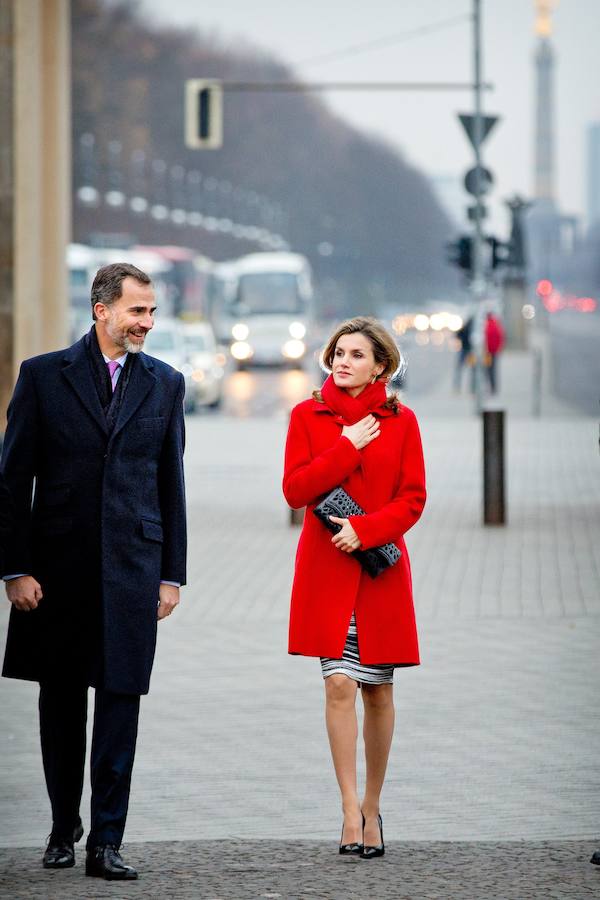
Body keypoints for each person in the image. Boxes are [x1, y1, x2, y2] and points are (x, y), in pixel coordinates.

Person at [1, 262, 186, 881]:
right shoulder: (42, 376)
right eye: (137, 310)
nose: (147, 322)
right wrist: (15, 568)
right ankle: (62, 828)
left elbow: (171, 485)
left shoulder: (166, 384)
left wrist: (171, 575)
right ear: (101, 310)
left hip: (133, 569)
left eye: (152, 311)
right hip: (56, 571)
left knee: (120, 704)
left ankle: (107, 841)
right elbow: (11, 480)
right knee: (59, 704)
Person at [283, 316, 426, 859]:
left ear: (380, 366)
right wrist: (345, 446)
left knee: (378, 690)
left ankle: (372, 805)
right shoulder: (308, 415)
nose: (343, 362)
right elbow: (295, 490)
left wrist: (365, 530)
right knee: (339, 684)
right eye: (338, 353)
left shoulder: (403, 422)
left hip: (378, 573)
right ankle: (348, 808)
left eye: (357, 354)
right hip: (327, 572)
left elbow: (413, 498)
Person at [484, 311, 505, 394]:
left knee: (488, 370)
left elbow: (486, 338)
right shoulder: (496, 324)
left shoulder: (487, 325)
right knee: (492, 370)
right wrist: (498, 348)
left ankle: (489, 388)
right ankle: (493, 388)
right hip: (494, 352)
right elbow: (501, 337)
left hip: (488, 352)